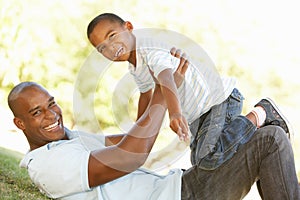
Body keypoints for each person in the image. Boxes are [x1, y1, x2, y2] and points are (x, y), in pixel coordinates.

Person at [7, 54, 299, 199]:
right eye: (37, 112)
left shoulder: (69, 141)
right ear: (19, 123)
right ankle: (263, 113)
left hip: (179, 186)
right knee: (270, 139)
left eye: (51, 103)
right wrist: (163, 90)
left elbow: (132, 138)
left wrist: (149, 84)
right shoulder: (48, 164)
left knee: (267, 142)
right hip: (181, 196)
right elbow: (133, 155)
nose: (51, 115)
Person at [86, 13, 293, 169]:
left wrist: (175, 113)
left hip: (217, 100)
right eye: (102, 48)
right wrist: (137, 134)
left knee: (207, 157)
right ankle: (257, 142)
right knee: (199, 161)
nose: (110, 47)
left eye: (112, 36)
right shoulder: (134, 66)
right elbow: (146, 94)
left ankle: (261, 112)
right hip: (198, 115)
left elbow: (166, 76)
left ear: (128, 27)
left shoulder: (148, 49)